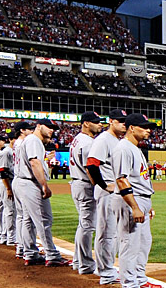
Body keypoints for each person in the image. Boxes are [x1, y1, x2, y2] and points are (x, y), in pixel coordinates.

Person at [111, 114, 158, 288]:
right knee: (130, 245)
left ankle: (139, 279)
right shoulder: (123, 148)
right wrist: (135, 207)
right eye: (143, 127)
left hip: (140, 199)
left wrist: (146, 206)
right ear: (131, 128)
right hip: (130, 201)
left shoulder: (134, 148)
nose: (148, 130)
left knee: (144, 243)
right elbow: (121, 180)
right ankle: (130, 287)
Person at [12, 119, 71, 267]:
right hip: (29, 182)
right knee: (43, 219)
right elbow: (34, 162)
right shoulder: (34, 140)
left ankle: (30, 253)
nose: (51, 130)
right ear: (38, 126)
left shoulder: (28, 140)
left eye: (53, 128)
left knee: (28, 219)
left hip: (21, 181)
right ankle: (52, 255)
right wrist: (44, 185)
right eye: (48, 127)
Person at [86, 109, 131, 287]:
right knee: (107, 233)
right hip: (107, 193)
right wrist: (104, 185)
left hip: (114, 192)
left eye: (125, 121)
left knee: (112, 233)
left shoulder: (116, 140)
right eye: (120, 121)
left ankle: (106, 268)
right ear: (111, 121)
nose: (124, 124)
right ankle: (105, 272)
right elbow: (91, 165)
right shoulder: (103, 139)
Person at [69, 112, 104, 277]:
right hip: (85, 185)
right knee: (87, 225)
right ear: (86, 123)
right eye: (96, 122)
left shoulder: (78, 139)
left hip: (77, 183)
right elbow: (90, 168)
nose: (100, 125)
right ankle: (85, 264)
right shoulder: (88, 142)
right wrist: (98, 187)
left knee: (83, 224)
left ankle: (78, 261)